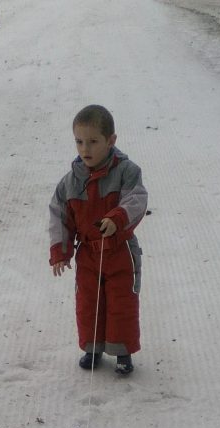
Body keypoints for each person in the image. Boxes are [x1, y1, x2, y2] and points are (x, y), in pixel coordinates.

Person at [49, 105, 148, 376]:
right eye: (79, 142)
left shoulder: (127, 171)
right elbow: (60, 216)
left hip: (119, 252)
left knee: (121, 303)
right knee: (88, 303)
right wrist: (60, 251)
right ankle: (92, 348)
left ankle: (122, 351)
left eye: (93, 141)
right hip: (89, 256)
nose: (85, 149)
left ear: (111, 140)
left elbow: (137, 199)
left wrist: (117, 218)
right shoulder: (69, 182)